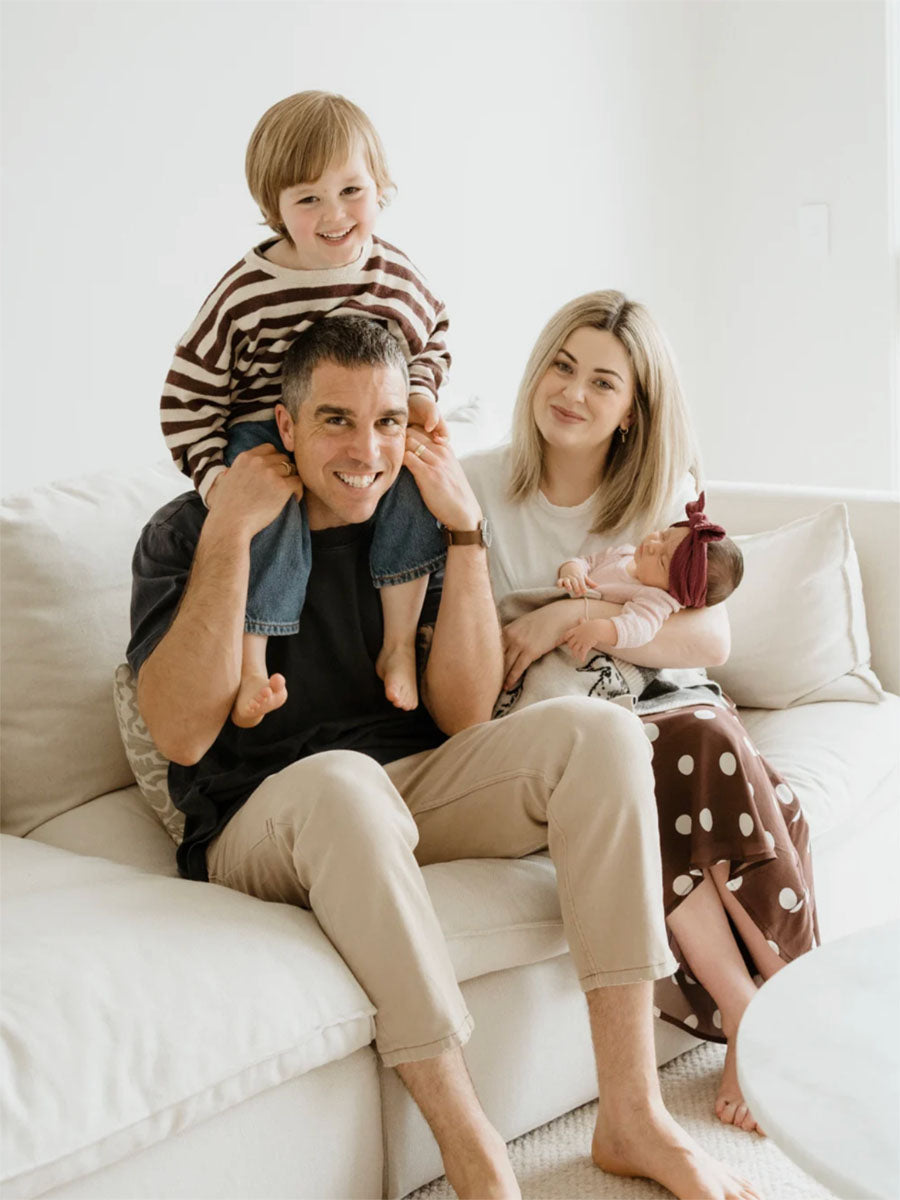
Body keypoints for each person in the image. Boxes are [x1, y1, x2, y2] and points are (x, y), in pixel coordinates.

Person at [130, 315, 760, 1200]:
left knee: (604, 733)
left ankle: (634, 1113)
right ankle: (475, 1152)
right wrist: (232, 532)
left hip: (412, 788)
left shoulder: (413, 522)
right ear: (285, 426)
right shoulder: (188, 528)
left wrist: (465, 533)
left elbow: (465, 716)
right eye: (336, 420)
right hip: (260, 818)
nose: (367, 450)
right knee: (346, 784)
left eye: (388, 421)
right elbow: (182, 736)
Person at [464, 290, 818, 1137]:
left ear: (631, 410)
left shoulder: (664, 494)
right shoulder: (475, 488)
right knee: (686, 756)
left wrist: (563, 620)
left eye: (603, 383)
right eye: (562, 365)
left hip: (666, 705)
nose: (573, 395)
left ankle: (767, 1014)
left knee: (725, 759)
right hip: (571, 726)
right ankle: (774, 1012)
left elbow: (710, 642)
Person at [159, 90, 450, 726]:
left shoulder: (394, 273)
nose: (335, 213)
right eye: (308, 198)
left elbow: (435, 334)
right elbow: (187, 398)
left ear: (382, 188)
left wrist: (421, 393)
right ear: (275, 211)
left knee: (411, 486)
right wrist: (219, 483)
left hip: (362, 424)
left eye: (352, 190)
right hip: (263, 430)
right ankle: (253, 663)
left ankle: (399, 646)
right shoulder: (245, 294)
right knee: (272, 518)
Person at [558, 494, 744, 661]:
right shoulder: (625, 553)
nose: (653, 544)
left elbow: (639, 628)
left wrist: (599, 630)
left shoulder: (656, 597)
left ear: (674, 589)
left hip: (592, 647)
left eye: (662, 561)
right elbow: (588, 561)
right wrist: (573, 570)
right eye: (664, 536)